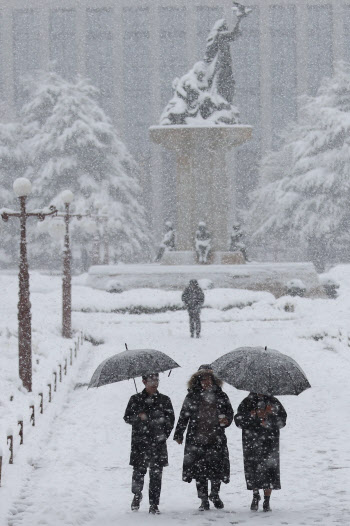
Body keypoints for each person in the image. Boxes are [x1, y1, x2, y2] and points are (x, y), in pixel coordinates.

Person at [174, 365, 233, 511]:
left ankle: (214, 494)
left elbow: (229, 413)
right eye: (203, 378)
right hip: (197, 440)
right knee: (199, 472)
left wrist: (227, 420)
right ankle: (203, 499)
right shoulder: (192, 396)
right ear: (198, 380)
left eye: (209, 378)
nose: (206, 381)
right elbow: (184, 416)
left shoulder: (221, 395)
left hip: (216, 438)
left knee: (217, 469)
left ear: (214, 380)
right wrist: (179, 433)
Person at [124, 373, 175, 514]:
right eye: (151, 380)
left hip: (158, 443)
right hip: (139, 443)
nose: (154, 383)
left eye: (156, 380)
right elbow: (127, 417)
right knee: (138, 473)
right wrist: (138, 417)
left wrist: (163, 434)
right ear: (144, 381)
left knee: (156, 475)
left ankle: (154, 504)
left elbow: (170, 420)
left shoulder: (165, 400)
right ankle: (137, 494)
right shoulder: (135, 400)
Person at [234, 392, 287, 512]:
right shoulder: (247, 402)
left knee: (270, 470)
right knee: (253, 469)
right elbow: (238, 420)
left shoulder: (273, 402)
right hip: (251, 441)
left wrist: (269, 418)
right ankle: (255, 495)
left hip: (270, 442)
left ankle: (267, 500)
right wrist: (253, 415)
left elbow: (282, 421)